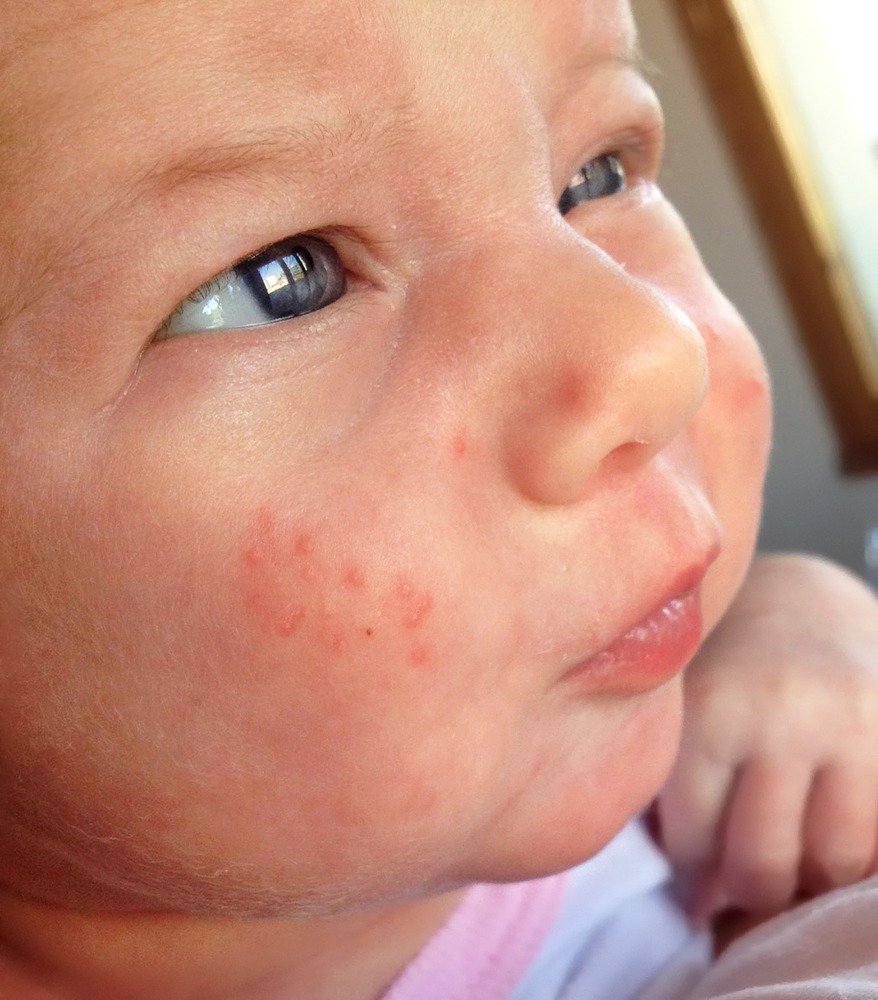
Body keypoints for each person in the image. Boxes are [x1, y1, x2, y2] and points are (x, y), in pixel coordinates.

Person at [0, 0, 876, 997]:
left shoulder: (759, 835)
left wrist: (796, 615)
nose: (651, 352)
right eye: (280, 279)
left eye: (595, 175)